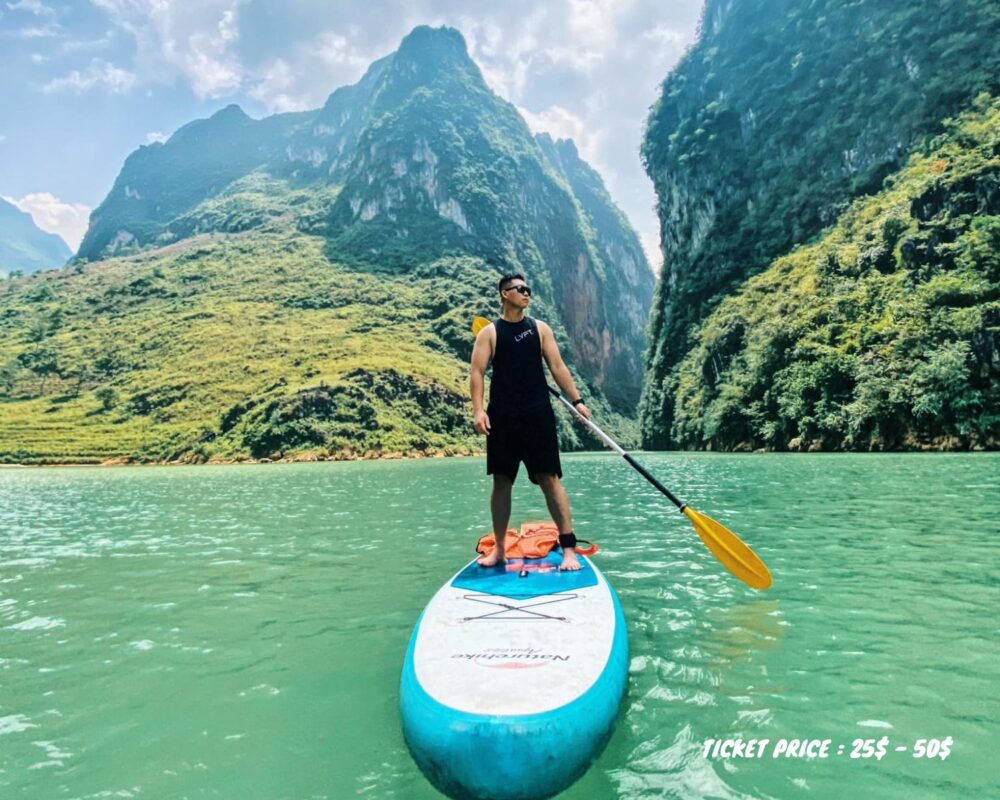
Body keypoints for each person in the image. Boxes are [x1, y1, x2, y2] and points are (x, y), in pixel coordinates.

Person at [469, 273, 592, 571]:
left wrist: (577, 401)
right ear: (504, 294)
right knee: (501, 482)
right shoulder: (490, 334)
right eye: (520, 289)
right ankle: (499, 549)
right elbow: (476, 372)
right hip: (502, 417)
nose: (526, 294)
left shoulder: (540, 330)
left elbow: (558, 366)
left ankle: (569, 550)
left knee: (550, 480)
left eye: (528, 289)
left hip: (538, 416)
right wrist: (478, 411)